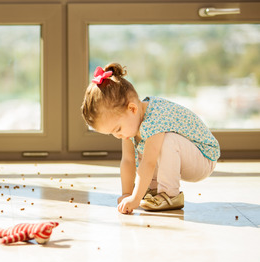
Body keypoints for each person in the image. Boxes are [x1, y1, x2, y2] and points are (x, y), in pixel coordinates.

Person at [81, 63, 220, 214]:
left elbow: (149, 162)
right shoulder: (131, 122)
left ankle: (170, 194)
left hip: (203, 158)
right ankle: (153, 191)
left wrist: (135, 198)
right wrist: (127, 194)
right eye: (112, 133)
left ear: (132, 109)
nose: (118, 135)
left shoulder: (155, 117)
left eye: (118, 129)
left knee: (166, 141)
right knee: (149, 147)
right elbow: (128, 161)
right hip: (184, 159)